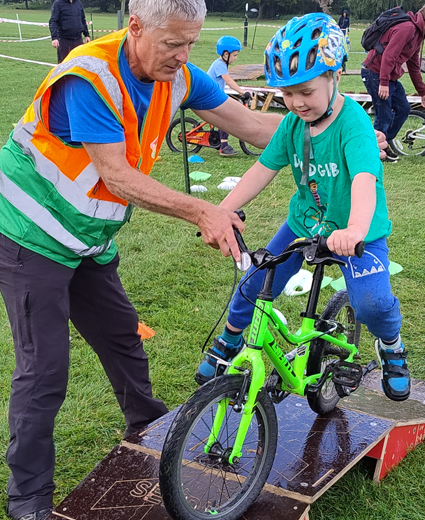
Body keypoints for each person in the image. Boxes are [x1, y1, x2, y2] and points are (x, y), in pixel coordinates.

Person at [0, 0, 291, 518]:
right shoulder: (88, 77)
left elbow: (250, 126)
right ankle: (28, 500)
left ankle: (148, 428)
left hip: (85, 239)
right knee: (44, 372)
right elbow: (117, 178)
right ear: (134, 27)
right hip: (28, 234)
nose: (182, 56)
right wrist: (203, 210)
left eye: (190, 43)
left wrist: (333, 129)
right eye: (172, 44)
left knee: (123, 340)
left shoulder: (178, 73)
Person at [196, 14, 411, 409]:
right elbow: (261, 170)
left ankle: (391, 346)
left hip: (357, 231)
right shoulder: (293, 125)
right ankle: (229, 339)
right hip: (305, 223)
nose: (295, 103)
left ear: (336, 74)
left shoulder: (354, 125)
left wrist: (357, 229)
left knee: (373, 304)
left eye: (305, 91)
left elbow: (365, 179)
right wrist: (220, 210)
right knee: (256, 283)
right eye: (286, 94)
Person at [361, 5, 425, 162]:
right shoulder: (408, 28)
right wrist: (383, 82)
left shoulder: (418, 35)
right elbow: (389, 55)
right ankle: (376, 152)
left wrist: (422, 92)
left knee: (404, 108)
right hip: (375, 73)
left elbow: (414, 66)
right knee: (384, 115)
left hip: (389, 77)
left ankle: (383, 143)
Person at [207, 36, 251, 156]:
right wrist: (242, 92)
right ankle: (224, 146)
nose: (236, 58)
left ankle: (220, 140)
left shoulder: (221, 64)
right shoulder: (219, 65)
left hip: (214, 96)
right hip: (210, 98)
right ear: (226, 54)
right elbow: (229, 81)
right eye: (235, 55)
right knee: (227, 117)